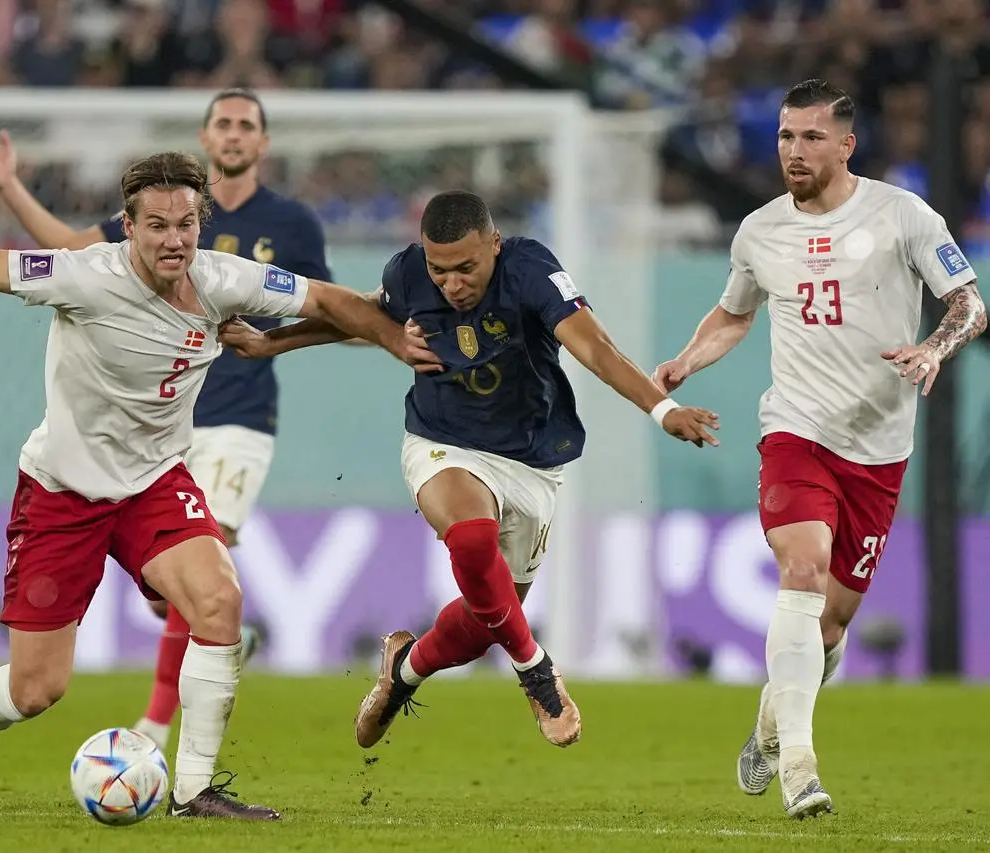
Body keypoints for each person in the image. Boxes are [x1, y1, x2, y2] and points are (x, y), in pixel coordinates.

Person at [0, 151, 439, 820]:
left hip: (153, 483)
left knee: (218, 602)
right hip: (61, 493)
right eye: (156, 225)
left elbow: (326, 299)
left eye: (186, 223)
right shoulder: (81, 276)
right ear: (128, 225)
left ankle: (193, 790)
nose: (173, 239)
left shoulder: (225, 280)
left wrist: (392, 342)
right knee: (37, 688)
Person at [220, 189, 721, 751]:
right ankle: (537, 672)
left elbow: (596, 349)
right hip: (443, 443)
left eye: (466, 268)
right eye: (439, 270)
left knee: (487, 620)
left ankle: (404, 670)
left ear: (494, 245)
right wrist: (272, 343)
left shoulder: (530, 270)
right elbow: (359, 315)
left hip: (532, 461)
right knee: (472, 536)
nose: (451, 284)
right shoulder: (410, 273)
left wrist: (664, 408)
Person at [650, 79, 987, 819]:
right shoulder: (759, 230)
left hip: (879, 450)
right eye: (782, 136)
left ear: (845, 144)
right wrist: (685, 359)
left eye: (808, 137)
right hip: (795, 431)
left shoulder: (903, 215)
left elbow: (969, 302)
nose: (792, 151)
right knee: (799, 571)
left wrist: (933, 348)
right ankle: (800, 767)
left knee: (829, 625)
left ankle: (772, 722)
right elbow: (733, 314)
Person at [0, 88, 335, 752]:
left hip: (235, 417)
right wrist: (9, 187)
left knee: (212, 571)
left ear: (262, 144)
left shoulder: (291, 224)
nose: (232, 134)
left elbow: (330, 310)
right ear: (204, 135)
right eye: (222, 123)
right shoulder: (163, 214)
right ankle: (195, 646)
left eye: (245, 125)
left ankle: (157, 722)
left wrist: (276, 341)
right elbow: (73, 251)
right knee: (165, 607)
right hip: (142, 429)